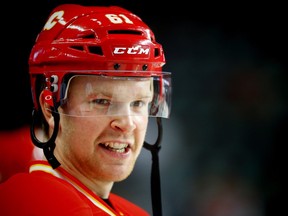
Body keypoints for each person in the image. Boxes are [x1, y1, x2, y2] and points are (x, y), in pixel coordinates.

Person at [0, 3, 171, 216]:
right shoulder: (36, 199)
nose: (127, 123)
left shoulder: (132, 212)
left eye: (138, 103)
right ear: (49, 108)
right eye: (101, 101)